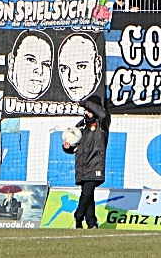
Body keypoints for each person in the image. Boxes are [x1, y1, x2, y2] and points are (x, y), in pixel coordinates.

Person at [62, 96, 109, 231]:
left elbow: (101, 113)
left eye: (89, 108)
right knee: (88, 195)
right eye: (86, 109)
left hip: (95, 164)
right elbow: (74, 146)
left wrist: (83, 102)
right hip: (82, 166)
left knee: (87, 193)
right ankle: (91, 223)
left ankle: (78, 216)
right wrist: (68, 147)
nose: (87, 111)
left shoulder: (102, 122)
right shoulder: (81, 125)